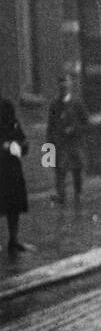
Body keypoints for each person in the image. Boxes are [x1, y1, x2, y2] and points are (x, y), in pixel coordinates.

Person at [47, 74, 90, 207]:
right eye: (61, 84)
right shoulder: (54, 104)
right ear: (58, 86)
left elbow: (86, 124)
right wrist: (49, 144)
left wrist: (74, 129)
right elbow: (51, 124)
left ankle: (78, 192)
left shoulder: (77, 104)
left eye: (66, 83)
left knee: (77, 169)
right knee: (60, 170)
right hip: (60, 144)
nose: (63, 86)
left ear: (70, 85)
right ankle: (61, 195)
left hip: (75, 143)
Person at [0, 95, 32, 253]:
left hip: (11, 167)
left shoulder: (11, 119)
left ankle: (14, 240)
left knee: (14, 204)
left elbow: (22, 141)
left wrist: (17, 145)